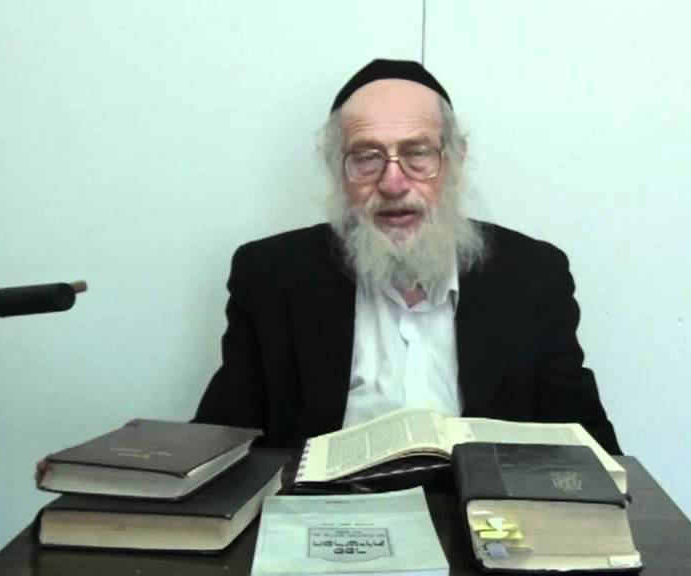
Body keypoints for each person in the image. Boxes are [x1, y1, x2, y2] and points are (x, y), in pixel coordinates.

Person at [194, 59, 623, 455]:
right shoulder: (270, 276)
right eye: (367, 158)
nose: (393, 183)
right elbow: (221, 445)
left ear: (454, 160)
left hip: (480, 509)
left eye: (418, 154)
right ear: (338, 170)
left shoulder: (533, 275)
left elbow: (589, 447)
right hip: (325, 506)